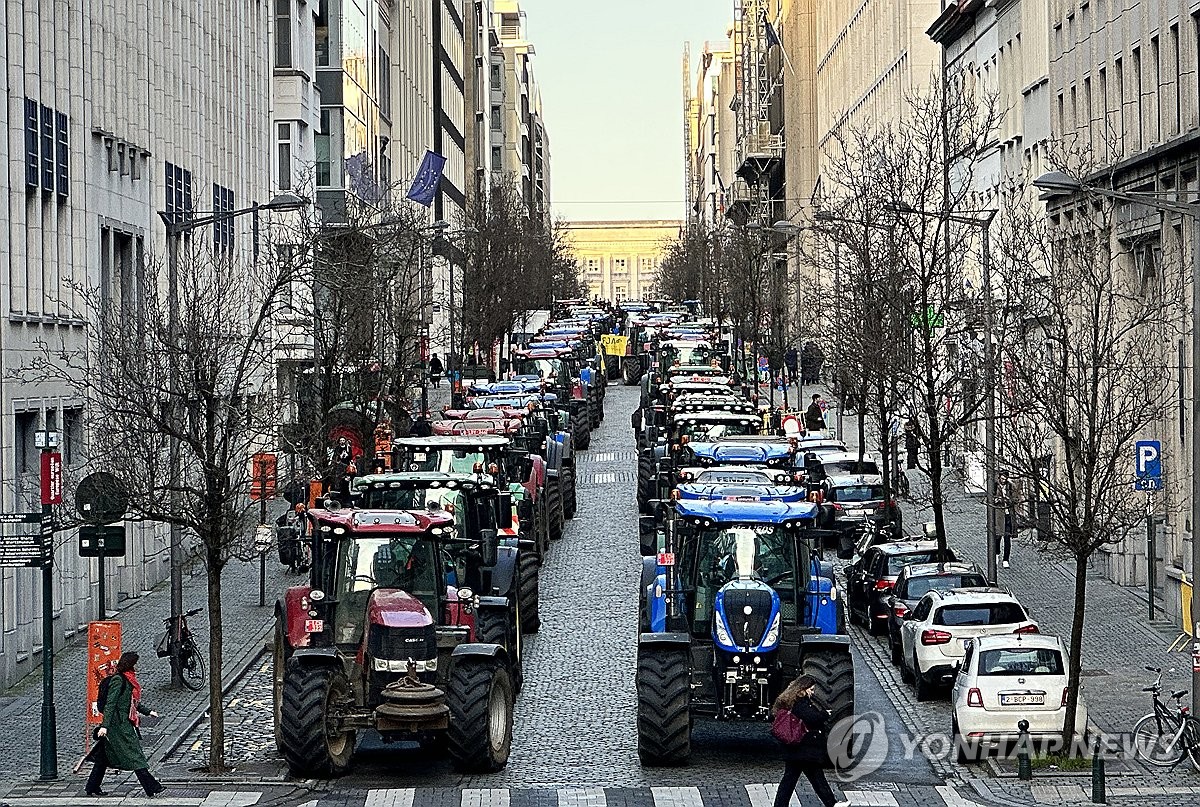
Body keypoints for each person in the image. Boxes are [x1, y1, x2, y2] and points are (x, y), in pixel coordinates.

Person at [86, 652, 163, 797]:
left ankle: (92, 787)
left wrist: (148, 712)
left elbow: (131, 702)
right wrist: (105, 726)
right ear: (130, 664)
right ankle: (152, 787)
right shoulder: (119, 680)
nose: (137, 666)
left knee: (103, 757)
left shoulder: (128, 680)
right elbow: (111, 703)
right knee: (134, 755)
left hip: (121, 723)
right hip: (118, 726)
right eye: (135, 663)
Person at [771, 675, 846, 807]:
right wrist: (825, 714)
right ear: (803, 689)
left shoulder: (791, 700)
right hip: (803, 749)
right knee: (813, 778)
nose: (812, 692)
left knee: (793, 780)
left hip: (798, 750)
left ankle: (831, 803)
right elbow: (811, 717)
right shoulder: (800, 702)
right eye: (811, 689)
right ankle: (832, 803)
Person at [994, 472, 1018, 569]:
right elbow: (990, 499)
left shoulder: (1010, 487)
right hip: (999, 515)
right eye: (1002, 479)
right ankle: (996, 555)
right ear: (999, 478)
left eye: (1005, 479)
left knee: (1007, 539)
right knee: (998, 537)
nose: (1003, 481)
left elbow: (1016, 499)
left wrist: (1009, 499)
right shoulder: (995, 486)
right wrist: (996, 500)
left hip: (1008, 515)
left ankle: (1005, 559)